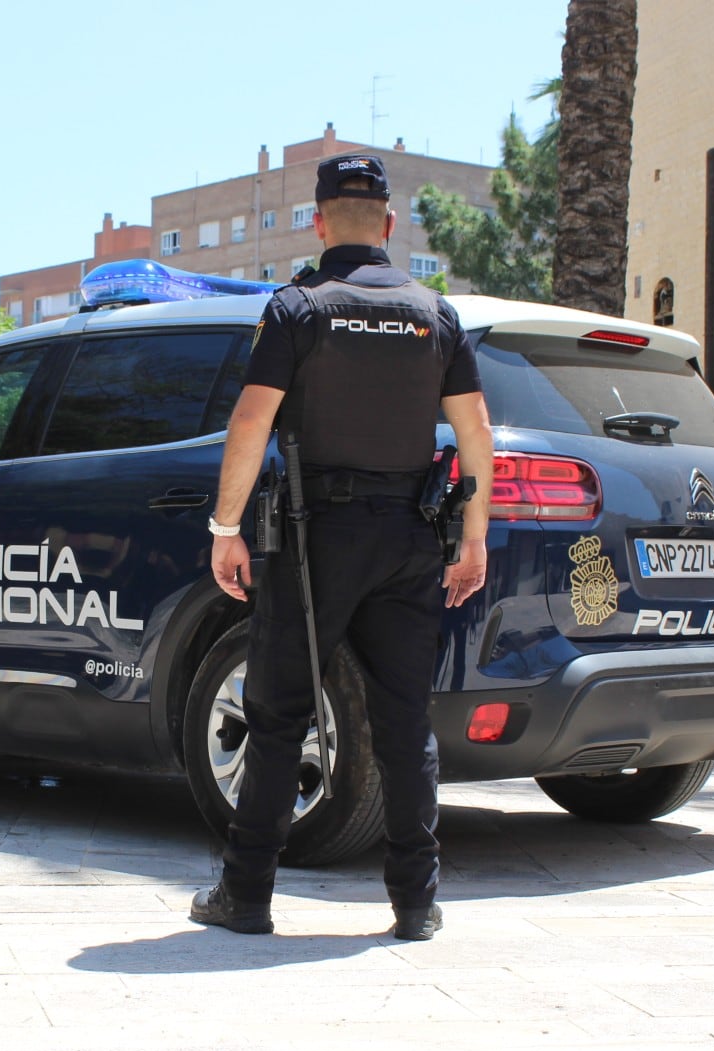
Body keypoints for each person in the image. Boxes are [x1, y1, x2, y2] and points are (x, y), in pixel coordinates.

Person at [191, 153, 494, 942]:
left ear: (319, 221)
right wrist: (475, 538)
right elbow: (475, 434)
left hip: (316, 533)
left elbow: (252, 422)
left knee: (280, 710)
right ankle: (415, 904)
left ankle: (246, 894)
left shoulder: (299, 308)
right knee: (404, 720)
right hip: (410, 538)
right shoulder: (436, 314)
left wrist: (225, 530)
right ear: (391, 226)